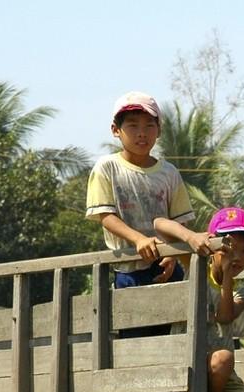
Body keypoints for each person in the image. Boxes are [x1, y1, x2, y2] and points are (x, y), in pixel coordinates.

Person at [85, 91, 213, 334]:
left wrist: (173, 255)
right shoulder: (107, 167)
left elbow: (179, 222)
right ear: (116, 130)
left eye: (149, 126)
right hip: (129, 267)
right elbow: (106, 216)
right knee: (135, 341)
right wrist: (139, 239)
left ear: (159, 130)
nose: (141, 133)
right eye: (132, 126)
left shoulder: (168, 173)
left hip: (166, 267)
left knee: (175, 337)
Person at [172, 207, 244, 392]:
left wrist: (228, 276)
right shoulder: (193, 270)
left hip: (221, 374)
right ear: (211, 247)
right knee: (223, 358)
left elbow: (223, 317)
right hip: (187, 364)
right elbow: (159, 224)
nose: (237, 257)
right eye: (228, 247)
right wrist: (192, 238)